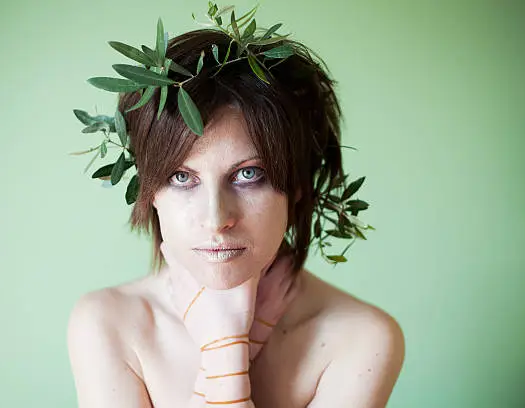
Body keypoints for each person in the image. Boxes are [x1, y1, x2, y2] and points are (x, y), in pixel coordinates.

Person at [67, 26, 405, 408]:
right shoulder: (109, 324)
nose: (216, 219)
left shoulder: (360, 339)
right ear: (151, 191)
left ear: (295, 184)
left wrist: (224, 355)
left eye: (248, 174)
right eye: (182, 177)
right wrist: (224, 352)